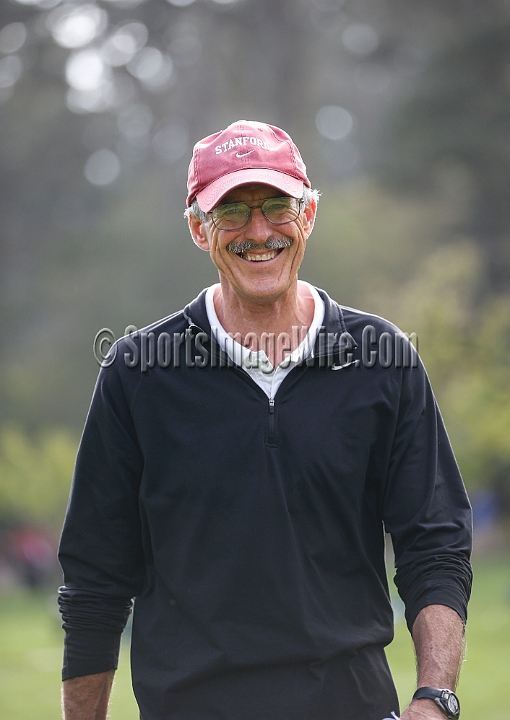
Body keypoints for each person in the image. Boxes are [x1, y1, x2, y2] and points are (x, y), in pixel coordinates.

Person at [58, 120, 472, 720]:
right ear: (199, 230)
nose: (259, 231)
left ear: (308, 216)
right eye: (232, 212)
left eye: (277, 205)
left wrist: (435, 699)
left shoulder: (382, 358)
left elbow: (434, 545)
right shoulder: (137, 374)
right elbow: (95, 582)